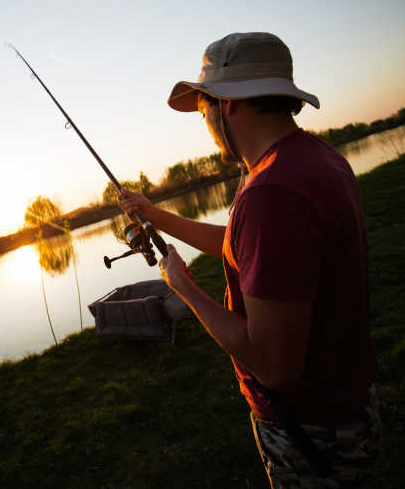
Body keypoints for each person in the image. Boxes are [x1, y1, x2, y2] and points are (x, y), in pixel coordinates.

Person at [118, 32, 382, 488]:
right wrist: (154, 213)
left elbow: (275, 364)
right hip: (348, 402)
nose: (205, 122)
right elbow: (245, 246)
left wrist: (185, 289)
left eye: (204, 110)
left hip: (312, 430)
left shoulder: (271, 195)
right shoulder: (316, 160)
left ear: (229, 104)